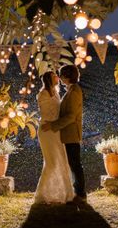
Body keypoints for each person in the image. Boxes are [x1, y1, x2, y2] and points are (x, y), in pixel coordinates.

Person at [41, 64, 86, 203]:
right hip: (68, 133)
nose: (59, 78)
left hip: (71, 133)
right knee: (73, 164)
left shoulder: (74, 92)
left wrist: (53, 125)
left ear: (66, 76)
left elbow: (71, 116)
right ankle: (77, 191)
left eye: (60, 75)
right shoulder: (71, 90)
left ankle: (81, 194)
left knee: (75, 164)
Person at [33, 71, 75, 204]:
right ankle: (43, 194)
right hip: (47, 130)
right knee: (51, 162)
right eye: (55, 76)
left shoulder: (55, 92)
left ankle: (63, 193)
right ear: (50, 79)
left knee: (62, 159)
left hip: (55, 130)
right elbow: (47, 113)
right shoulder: (43, 93)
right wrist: (52, 124)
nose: (58, 77)